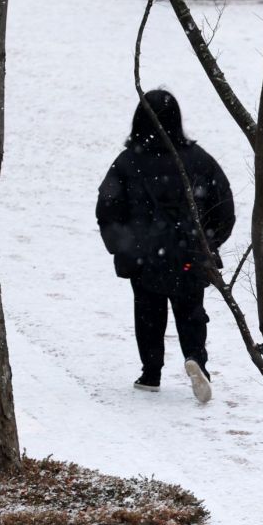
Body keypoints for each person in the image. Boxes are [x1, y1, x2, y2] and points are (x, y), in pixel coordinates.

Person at [96, 89, 235, 403]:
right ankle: (196, 359)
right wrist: (208, 242)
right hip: (189, 254)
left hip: (145, 257)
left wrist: (123, 247)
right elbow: (223, 207)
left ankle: (150, 373)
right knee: (191, 311)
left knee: (148, 314)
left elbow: (108, 209)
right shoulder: (199, 160)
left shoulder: (128, 163)